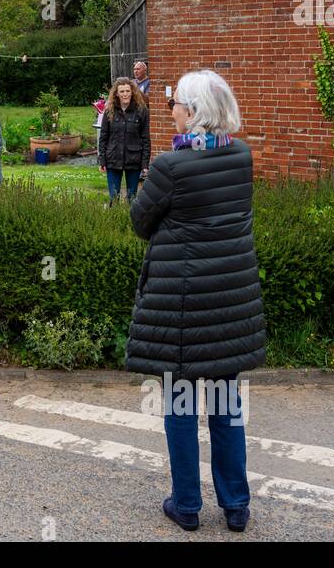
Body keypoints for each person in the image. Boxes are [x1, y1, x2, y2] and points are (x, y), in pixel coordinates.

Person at [127, 69, 266, 534]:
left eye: (176, 104)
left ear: (194, 111)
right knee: (226, 404)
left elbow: (140, 222)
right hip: (229, 304)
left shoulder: (171, 166)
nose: (171, 110)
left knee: (182, 406)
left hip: (183, 306)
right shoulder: (241, 156)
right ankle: (236, 506)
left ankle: (187, 504)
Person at [98, 76, 150, 206]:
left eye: (127, 91)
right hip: (113, 158)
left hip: (134, 159)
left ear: (132, 92)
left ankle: (129, 223)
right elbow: (103, 137)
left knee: (132, 198)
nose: (125, 94)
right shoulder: (109, 111)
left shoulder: (141, 111)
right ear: (116, 93)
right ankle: (113, 223)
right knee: (113, 197)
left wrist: (145, 164)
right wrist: (102, 160)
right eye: (122, 91)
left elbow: (145, 139)